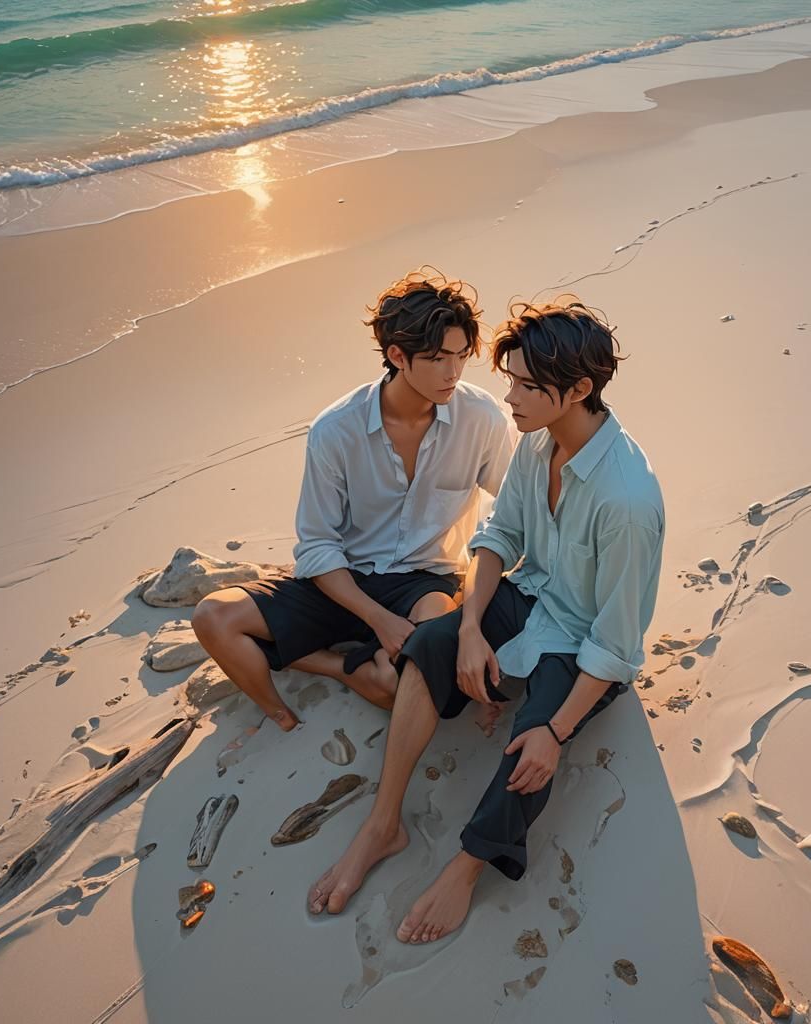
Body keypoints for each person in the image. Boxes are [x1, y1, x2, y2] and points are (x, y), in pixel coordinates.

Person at [307, 297, 665, 943]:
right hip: (530, 594)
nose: (511, 398)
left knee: (530, 751)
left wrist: (556, 731)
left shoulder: (626, 501)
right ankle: (383, 823)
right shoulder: (538, 441)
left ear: (579, 389)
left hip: (583, 642)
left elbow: (615, 648)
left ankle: (467, 868)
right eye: (512, 380)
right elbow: (500, 535)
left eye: (527, 386)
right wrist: (469, 629)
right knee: (429, 643)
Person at [192, 269, 514, 730]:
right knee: (213, 617)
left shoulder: (481, 418)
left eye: (462, 356)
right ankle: (331, 674)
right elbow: (318, 544)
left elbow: (516, 505)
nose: (454, 372)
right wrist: (377, 619)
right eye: (439, 358)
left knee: (410, 684)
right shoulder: (335, 429)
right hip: (344, 582)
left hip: (427, 582)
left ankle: (332, 658)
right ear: (397, 355)